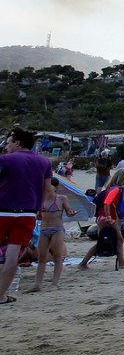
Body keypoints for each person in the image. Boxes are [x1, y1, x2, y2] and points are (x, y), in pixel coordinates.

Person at [0, 129, 53, 302]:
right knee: (12, 256)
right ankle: (0, 296)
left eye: (9, 142)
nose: (7, 146)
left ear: (17, 143)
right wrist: (38, 208)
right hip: (28, 214)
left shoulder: (5, 160)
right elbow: (47, 189)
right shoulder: (44, 162)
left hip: (3, 210)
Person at [27, 177, 70, 292]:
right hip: (44, 229)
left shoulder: (62, 199)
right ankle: (37, 284)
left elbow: (69, 213)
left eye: (48, 185)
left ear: (55, 187)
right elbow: (39, 216)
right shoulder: (41, 199)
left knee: (57, 256)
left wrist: (72, 213)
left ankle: (54, 284)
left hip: (57, 229)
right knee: (42, 257)